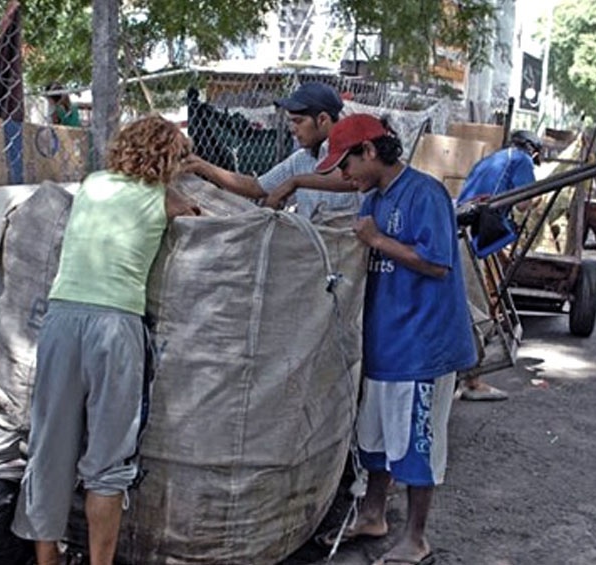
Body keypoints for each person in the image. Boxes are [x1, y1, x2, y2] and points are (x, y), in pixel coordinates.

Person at [11, 115, 196, 565]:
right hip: (115, 326)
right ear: (169, 158)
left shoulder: (92, 183)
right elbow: (199, 219)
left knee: (50, 448)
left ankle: (47, 560)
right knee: (108, 464)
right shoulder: (165, 198)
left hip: (61, 319)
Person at [315, 114, 477, 565]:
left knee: (416, 444)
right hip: (387, 341)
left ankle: (416, 538)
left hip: (423, 342)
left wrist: (378, 240)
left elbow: (437, 263)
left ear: (369, 152)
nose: (343, 176)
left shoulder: (423, 193)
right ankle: (372, 515)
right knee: (377, 439)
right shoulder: (374, 198)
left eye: (345, 164)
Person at [182, 81, 359, 219]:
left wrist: (296, 182)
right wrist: (202, 165)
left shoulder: (354, 151)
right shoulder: (301, 159)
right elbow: (256, 187)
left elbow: (353, 180)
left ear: (322, 120)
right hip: (310, 249)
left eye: (298, 121)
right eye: (291, 121)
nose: (292, 128)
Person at [455, 130, 543, 401]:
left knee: (473, 302)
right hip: (472, 232)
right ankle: (472, 381)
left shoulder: (491, 159)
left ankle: (467, 375)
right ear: (533, 151)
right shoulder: (522, 160)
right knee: (478, 308)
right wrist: (536, 200)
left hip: (463, 226)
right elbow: (524, 202)